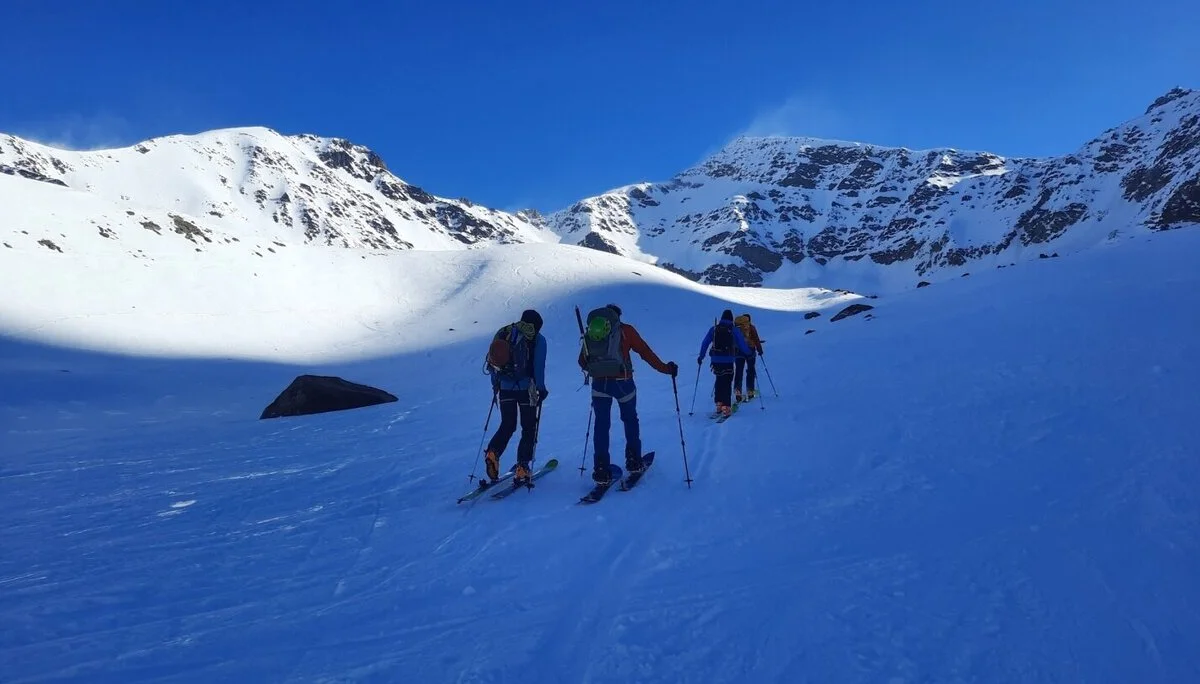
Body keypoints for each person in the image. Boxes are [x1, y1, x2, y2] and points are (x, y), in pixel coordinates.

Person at [577, 304, 678, 485]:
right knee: (630, 419)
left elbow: (582, 361)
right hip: (623, 382)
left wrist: (598, 367)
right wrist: (666, 369)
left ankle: (601, 469)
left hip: (599, 384)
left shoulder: (592, 333)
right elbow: (645, 352)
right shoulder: (626, 330)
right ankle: (633, 461)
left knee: (601, 425)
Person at [483, 309, 548, 486]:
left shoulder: (504, 333)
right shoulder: (538, 339)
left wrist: (496, 385)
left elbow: (493, 362)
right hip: (527, 389)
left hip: (505, 388)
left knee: (507, 425)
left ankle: (493, 452)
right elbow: (538, 367)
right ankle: (522, 467)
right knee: (528, 427)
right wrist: (541, 389)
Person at [697, 309, 753, 416]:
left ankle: (718, 404)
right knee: (727, 382)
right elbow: (742, 344)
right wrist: (749, 353)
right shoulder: (734, 330)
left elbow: (705, 343)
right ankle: (726, 407)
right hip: (728, 360)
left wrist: (701, 356)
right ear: (731, 319)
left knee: (719, 380)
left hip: (715, 360)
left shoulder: (714, 329)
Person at [732, 313, 765, 402]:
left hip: (738, 352)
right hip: (750, 352)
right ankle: (750, 392)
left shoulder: (736, 328)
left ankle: (738, 392)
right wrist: (760, 350)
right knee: (750, 371)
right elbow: (756, 339)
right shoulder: (751, 327)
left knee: (738, 372)